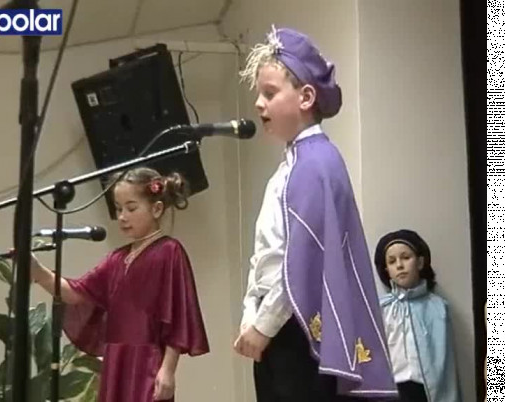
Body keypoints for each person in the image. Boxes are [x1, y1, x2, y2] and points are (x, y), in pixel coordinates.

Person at [234, 25, 398, 401]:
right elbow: (267, 255)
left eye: (269, 93)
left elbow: (300, 261)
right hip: (278, 327)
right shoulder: (295, 164)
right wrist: (251, 314)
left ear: (306, 97)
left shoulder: (315, 164)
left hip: (297, 333)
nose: (258, 104)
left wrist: (263, 324)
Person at [30, 167, 209, 402]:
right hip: (116, 362)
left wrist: (168, 369)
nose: (122, 216)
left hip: (148, 362)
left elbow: (177, 317)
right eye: (118, 208)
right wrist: (37, 271)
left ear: (156, 209)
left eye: (131, 208)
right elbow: (75, 293)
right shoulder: (116, 259)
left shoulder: (169, 252)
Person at [375, 229, 462, 402]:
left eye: (406, 258)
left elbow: (447, 365)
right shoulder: (381, 308)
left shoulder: (438, 308)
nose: (399, 265)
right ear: (386, 270)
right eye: (392, 261)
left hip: (425, 392)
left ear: (420, 262)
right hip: (391, 390)